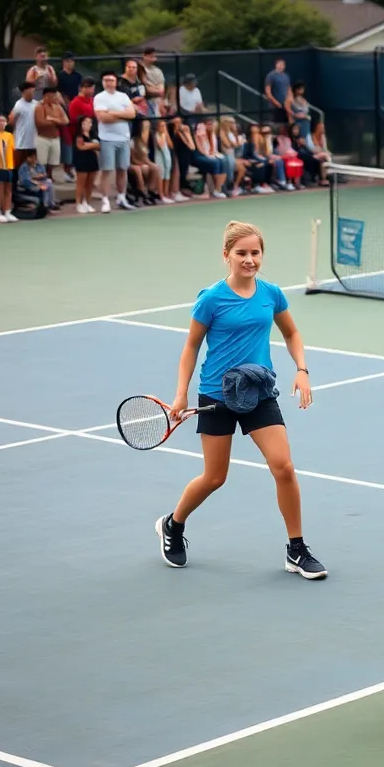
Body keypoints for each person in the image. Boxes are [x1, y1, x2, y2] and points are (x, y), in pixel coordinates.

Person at [154, 220, 327, 580]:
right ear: (226, 256)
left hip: (258, 391)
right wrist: (180, 393)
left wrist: (302, 369)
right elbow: (191, 346)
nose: (249, 260)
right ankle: (173, 524)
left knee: (284, 467)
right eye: (242, 253)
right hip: (217, 394)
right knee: (215, 477)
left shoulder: (271, 294)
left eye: (255, 253)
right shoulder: (212, 299)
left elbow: (292, 332)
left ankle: (296, 549)